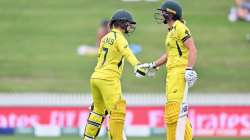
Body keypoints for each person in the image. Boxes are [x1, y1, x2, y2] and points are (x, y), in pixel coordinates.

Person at [83, 9, 146, 140]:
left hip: (96, 77)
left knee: (98, 111)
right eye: (128, 23)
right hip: (109, 80)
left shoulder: (105, 38)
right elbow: (127, 53)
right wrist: (138, 65)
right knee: (117, 112)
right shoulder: (119, 38)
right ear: (122, 23)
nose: (130, 26)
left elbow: (100, 57)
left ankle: (88, 138)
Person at [139, 1, 198, 140]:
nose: (161, 14)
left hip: (179, 73)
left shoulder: (180, 27)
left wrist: (189, 69)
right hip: (171, 74)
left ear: (171, 13)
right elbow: (168, 55)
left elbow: (193, 49)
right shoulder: (171, 31)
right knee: (171, 114)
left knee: (176, 112)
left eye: (163, 12)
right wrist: (153, 65)